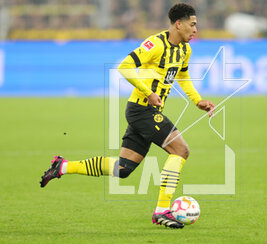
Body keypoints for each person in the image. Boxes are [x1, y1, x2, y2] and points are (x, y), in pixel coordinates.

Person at [40, 3, 215, 229]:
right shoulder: (156, 44)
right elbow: (125, 67)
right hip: (142, 109)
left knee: (123, 168)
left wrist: (197, 100)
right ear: (178, 24)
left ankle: (63, 167)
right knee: (181, 150)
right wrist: (149, 92)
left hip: (148, 111)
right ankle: (162, 211)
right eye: (192, 25)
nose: (195, 30)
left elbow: (183, 76)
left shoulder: (185, 50)